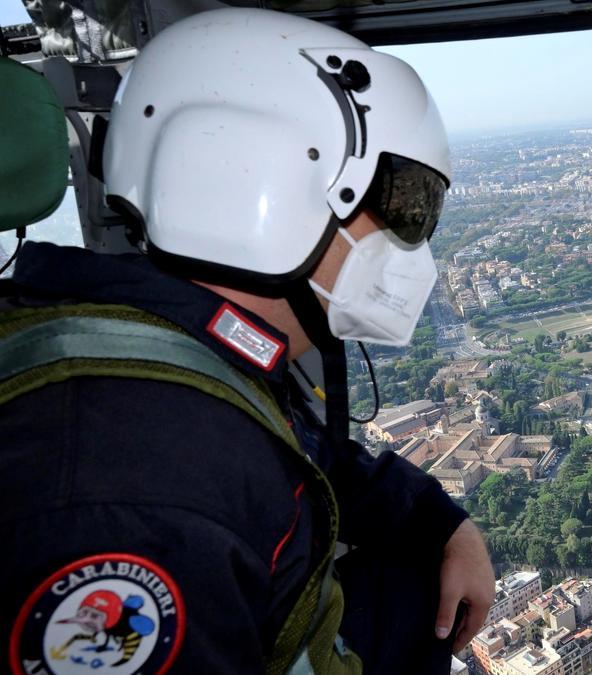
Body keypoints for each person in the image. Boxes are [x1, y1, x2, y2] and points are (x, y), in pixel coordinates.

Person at [0, 8, 494, 674]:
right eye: (402, 207)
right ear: (265, 181)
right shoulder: (140, 500)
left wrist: (438, 521)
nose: (411, 242)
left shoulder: (183, 357)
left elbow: (300, 454)